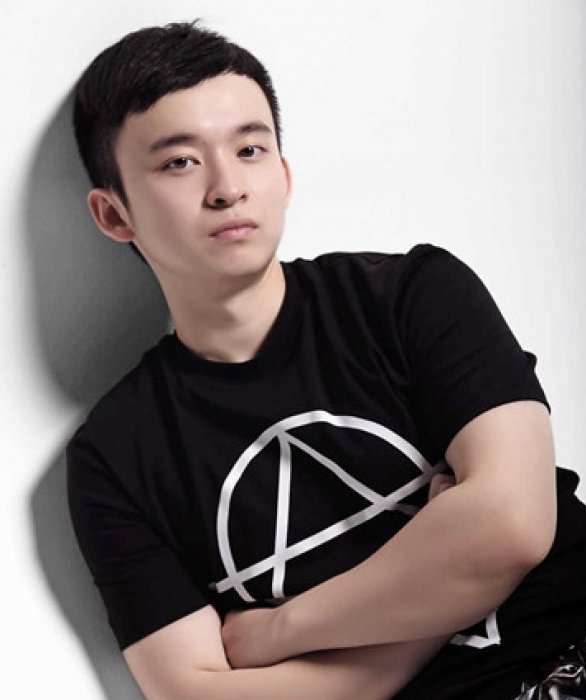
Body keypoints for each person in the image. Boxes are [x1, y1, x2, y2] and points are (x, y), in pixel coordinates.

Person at [67, 20, 586, 700]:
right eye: (180, 162)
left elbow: (513, 527)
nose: (228, 186)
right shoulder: (117, 454)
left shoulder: (412, 295)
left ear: (283, 175)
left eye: (250, 149)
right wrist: (440, 600)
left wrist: (278, 630)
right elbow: (194, 695)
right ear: (114, 215)